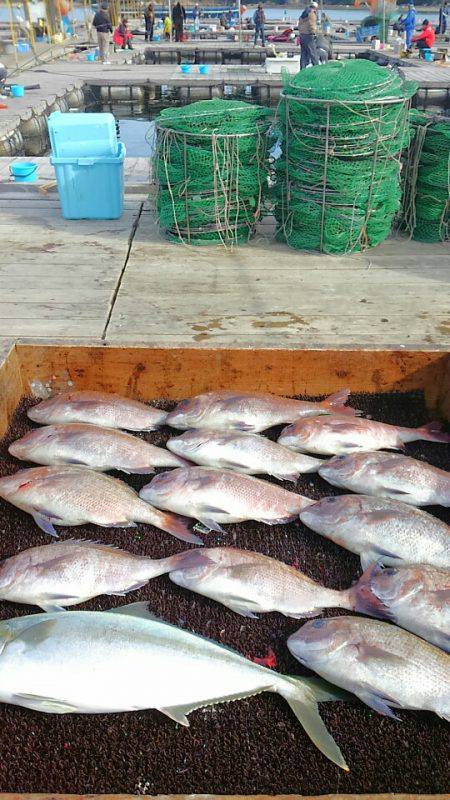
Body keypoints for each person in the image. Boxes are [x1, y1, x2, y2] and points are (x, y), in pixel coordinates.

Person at [299, 0, 319, 69]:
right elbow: (312, 24)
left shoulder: (304, 13)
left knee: (303, 55)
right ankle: (317, 70)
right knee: (313, 54)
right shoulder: (312, 13)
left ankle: (302, 70)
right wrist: (314, 33)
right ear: (315, 7)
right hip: (308, 35)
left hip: (302, 35)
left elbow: (300, 24)